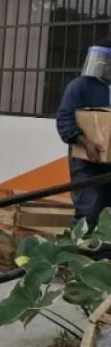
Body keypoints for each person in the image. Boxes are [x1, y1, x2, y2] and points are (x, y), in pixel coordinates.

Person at [57, 40, 111, 228]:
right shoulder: (80, 86)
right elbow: (64, 119)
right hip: (86, 162)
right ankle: (82, 255)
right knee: (89, 212)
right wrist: (85, 142)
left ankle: (104, 257)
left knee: (108, 216)